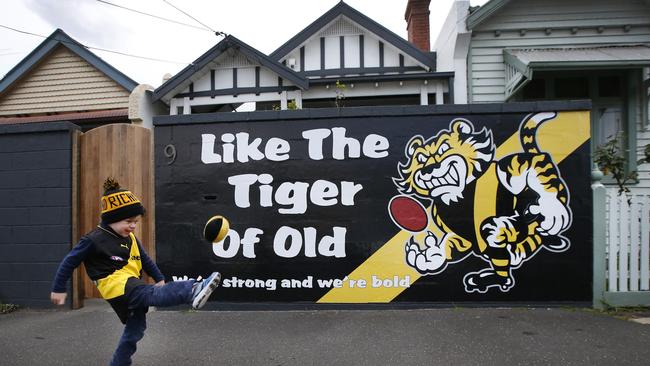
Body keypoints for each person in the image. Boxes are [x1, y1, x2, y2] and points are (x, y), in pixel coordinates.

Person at [50, 177, 221, 366]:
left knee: (135, 331)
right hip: (116, 286)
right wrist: (59, 288)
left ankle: (119, 363)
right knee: (150, 294)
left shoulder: (131, 238)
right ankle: (193, 290)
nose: (132, 226)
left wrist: (159, 278)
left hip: (130, 284)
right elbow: (69, 262)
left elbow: (145, 260)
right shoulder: (93, 239)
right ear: (112, 219)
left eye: (136, 222)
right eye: (128, 221)